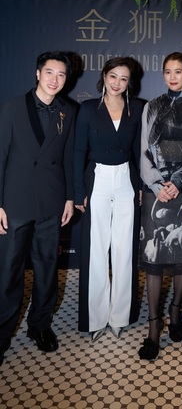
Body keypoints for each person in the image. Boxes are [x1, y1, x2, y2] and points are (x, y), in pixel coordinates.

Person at [0, 51, 76, 368]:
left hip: (51, 202)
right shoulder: (12, 108)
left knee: (47, 269)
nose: (54, 79)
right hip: (15, 203)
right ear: (37, 73)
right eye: (49, 72)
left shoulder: (68, 111)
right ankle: (2, 334)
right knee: (8, 272)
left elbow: (69, 158)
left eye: (61, 74)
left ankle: (40, 325)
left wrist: (69, 197)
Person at [138, 52, 182, 361]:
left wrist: (178, 181)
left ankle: (175, 312)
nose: (173, 76)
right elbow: (143, 150)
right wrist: (155, 184)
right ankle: (154, 326)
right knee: (154, 258)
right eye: (168, 71)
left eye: (179, 71)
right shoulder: (151, 106)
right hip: (155, 191)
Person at [74, 57, 142, 341]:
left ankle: (120, 317)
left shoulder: (137, 108)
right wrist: (79, 190)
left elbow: (139, 151)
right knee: (96, 249)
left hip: (126, 179)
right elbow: (78, 152)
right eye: (113, 76)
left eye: (124, 78)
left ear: (129, 83)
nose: (117, 83)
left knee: (125, 249)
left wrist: (140, 185)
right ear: (104, 76)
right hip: (98, 178)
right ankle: (95, 318)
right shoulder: (88, 108)